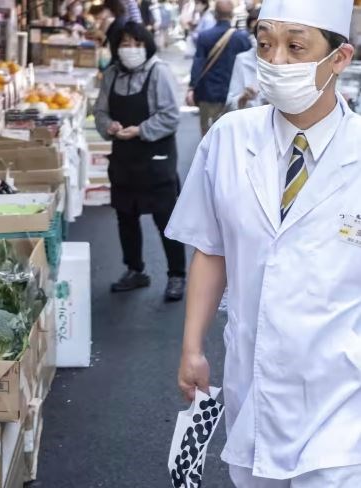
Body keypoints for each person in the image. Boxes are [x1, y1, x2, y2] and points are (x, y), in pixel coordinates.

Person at [166, 0, 361, 485]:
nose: (275, 61)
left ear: (339, 58)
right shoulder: (229, 139)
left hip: (344, 391)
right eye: (266, 43)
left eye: (296, 47)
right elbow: (211, 248)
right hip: (251, 382)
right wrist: (193, 345)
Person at [93, 21, 186, 301]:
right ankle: (135, 270)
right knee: (126, 217)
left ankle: (176, 275)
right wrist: (108, 126)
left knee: (165, 219)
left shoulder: (159, 72)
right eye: (125, 44)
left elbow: (171, 115)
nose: (131, 49)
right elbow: (99, 111)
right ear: (116, 47)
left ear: (146, 45)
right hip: (123, 159)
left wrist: (141, 130)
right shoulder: (111, 75)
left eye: (137, 43)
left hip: (156, 159)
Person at [186, 0, 252, 134]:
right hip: (235, 94)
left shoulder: (204, 36)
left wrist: (192, 87)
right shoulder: (242, 38)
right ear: (232, 14)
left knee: (208, 136)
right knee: (233, 135)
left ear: (215, 14)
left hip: (208, 93)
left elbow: (197, 64)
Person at [225, 7, 262, 111]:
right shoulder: (242, 59)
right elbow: (230, 102)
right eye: (253, 31)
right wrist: (243, 98)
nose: (258, 37)